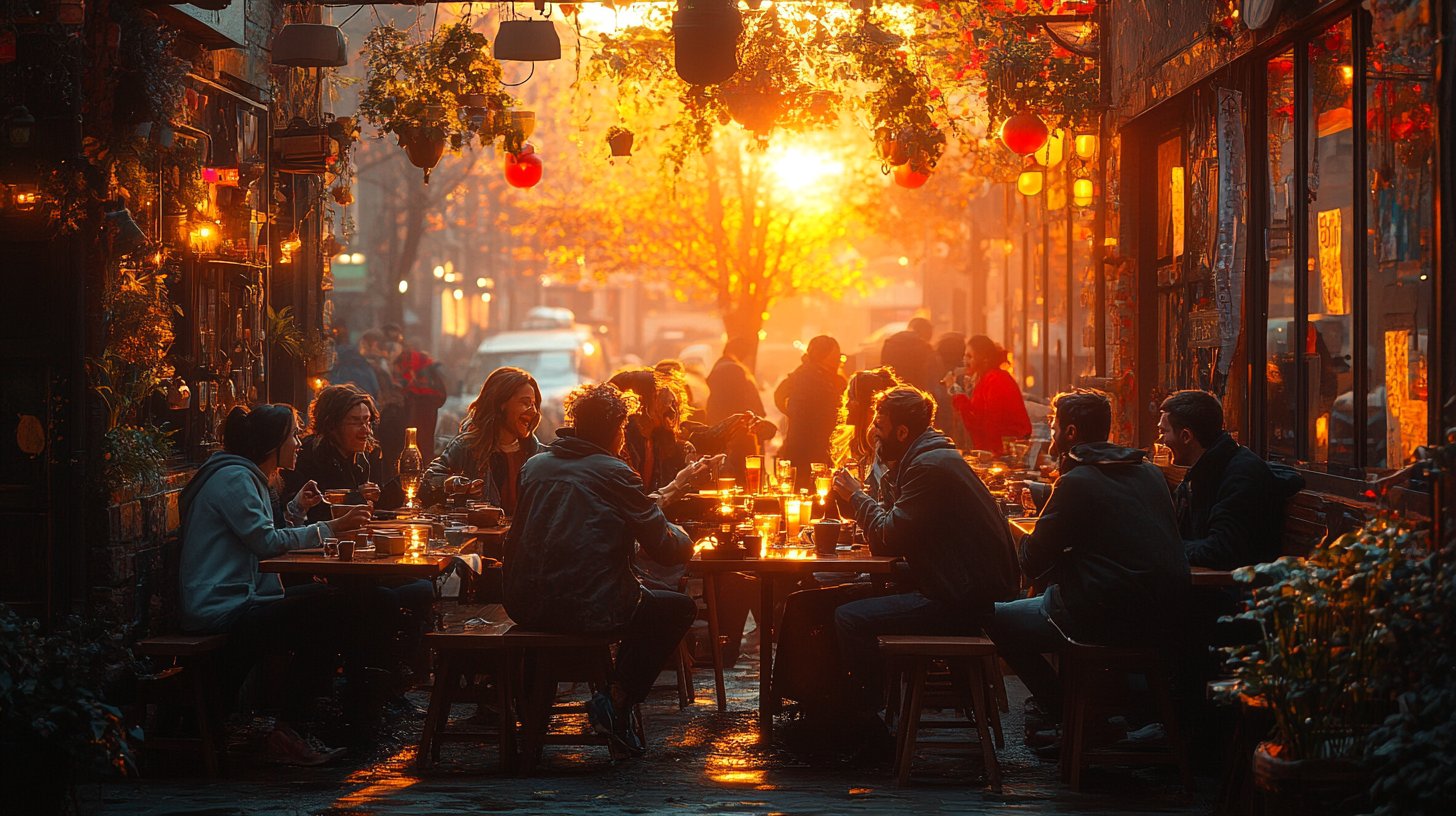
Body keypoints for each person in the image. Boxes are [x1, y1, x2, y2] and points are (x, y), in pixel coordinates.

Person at [502, 383, 698, 757]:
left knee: (645, 597)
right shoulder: (615, 471)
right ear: (616, 429)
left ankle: (608, 700)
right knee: (677, 607)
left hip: (523, 602)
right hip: (589, 607)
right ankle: (617, 698)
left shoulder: (535, 466)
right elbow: (666, 547)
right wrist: (685, 535)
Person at [178, 404, 372, 766]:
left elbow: (259, 533)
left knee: (336, 602)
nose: (299, 443)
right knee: (332, 609)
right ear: (272, 444)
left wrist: (296, 510)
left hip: (243, 599)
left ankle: (299, 724)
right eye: (294, 435)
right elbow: (265, 543)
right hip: (222, 608)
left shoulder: (248, 477)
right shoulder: (234, 479)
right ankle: (292, 727)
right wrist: (331, 528)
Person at [991, 389, 1188, 724]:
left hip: (1101, 615)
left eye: (1054, 427)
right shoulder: (1151, 473)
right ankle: (1085, 712)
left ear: (1070, 433)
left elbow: (1031, 561)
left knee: (994, 619)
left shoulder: (1076, 481)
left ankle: (1066, 712)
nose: (1051, 435)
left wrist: (1008, 525)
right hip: (1162, 615)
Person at [830, 387, 1020, 732]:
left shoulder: (928, 466)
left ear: (902, 432)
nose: (874, 433)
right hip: (955, 585)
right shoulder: (928, 456)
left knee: (848, 618)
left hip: (957, 600)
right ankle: (830, 708)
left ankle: (866, 724)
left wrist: (857, 496)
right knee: (833, 595)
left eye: (881, 427)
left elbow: (888, 537)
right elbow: (897, 526)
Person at [1157, 390, 1305, 570]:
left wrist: (1165, 548)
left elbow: (1222, 550)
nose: (1161, 440)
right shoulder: (1211, 467)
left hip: (1235, 590)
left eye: (1163, 432)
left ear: (1186, 436)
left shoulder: (1240, 476)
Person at [421, 366, 543, 515]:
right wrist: (452, 484)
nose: (533, 411)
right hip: (480, 537)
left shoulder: (537, 455)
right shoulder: (467, 447)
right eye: (525, 403)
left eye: (534, 404)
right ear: (501, 404)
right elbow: (427, 482)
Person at [284, 384, 402, 521]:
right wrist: (354, 497)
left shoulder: (363, 457)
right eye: (356, 422)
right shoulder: (307, 456)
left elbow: (375, 505)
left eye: (367, 421)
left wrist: (404, 484)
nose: (366, 430)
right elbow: (307, 513)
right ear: (332, 424)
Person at [775, 335, 847, 490]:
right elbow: (784, 400)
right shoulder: (808, 377)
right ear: (823, 356)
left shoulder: (821, 375)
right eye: (835, 354)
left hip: (814, 448)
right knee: (809, 491)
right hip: (809, 449)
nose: (839, 359)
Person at [950, 335, 1032, 455]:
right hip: (996, 449)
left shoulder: (996, 379)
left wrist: (956, 392)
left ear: (984, 359)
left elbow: (987, 421)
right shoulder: (984, 378)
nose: (965, 360)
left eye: (969, 356)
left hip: (1006, 450)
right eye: (964, 355)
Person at [707, 337, 771, 478]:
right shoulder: (733, 369)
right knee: (745, 476)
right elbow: (740, 402)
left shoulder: (721, 367)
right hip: (741, 434)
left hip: (736, 432)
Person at [383, 323, 447, 464]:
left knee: (418, 454)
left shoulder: (417, 362)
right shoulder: (382, 364)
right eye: (387, 346)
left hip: (419, 414)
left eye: (393, 345)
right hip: (397, 422)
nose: (390, 350)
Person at [361, 329, 407, 478]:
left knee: (386, 456)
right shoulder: (383, 363)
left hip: (385, 414)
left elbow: (381, 391)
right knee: (388, 456)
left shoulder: (374, 364)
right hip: (388, 413)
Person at [878, 316, 940, 393]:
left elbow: (884, 365)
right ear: (926, 332)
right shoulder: (924, 347)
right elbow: (930, 376)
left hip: (892, 390)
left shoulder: (890, 342)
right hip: (916, 393)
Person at [328, 331, 380, 400]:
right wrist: (344, 384)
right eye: (374, 346)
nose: (375, 350)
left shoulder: (366, 365)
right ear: (363, 343)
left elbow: (375, 390)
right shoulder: (345, 355)